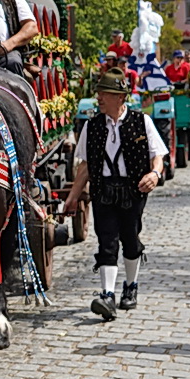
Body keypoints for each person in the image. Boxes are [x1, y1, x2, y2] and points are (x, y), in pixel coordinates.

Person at [62, 71, 164, 321]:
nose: (98, 98)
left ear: (119, 97)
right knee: (107, 240)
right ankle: (107, 294)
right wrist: (73, 196)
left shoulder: (142, 122)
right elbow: (84, 166)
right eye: (98, 93)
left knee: (130, 239)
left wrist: (155, 174)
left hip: (133, 190)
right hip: (103, 189)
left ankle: (130, 286)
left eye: (103, 93)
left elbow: (158, 156)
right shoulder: (92, 126)